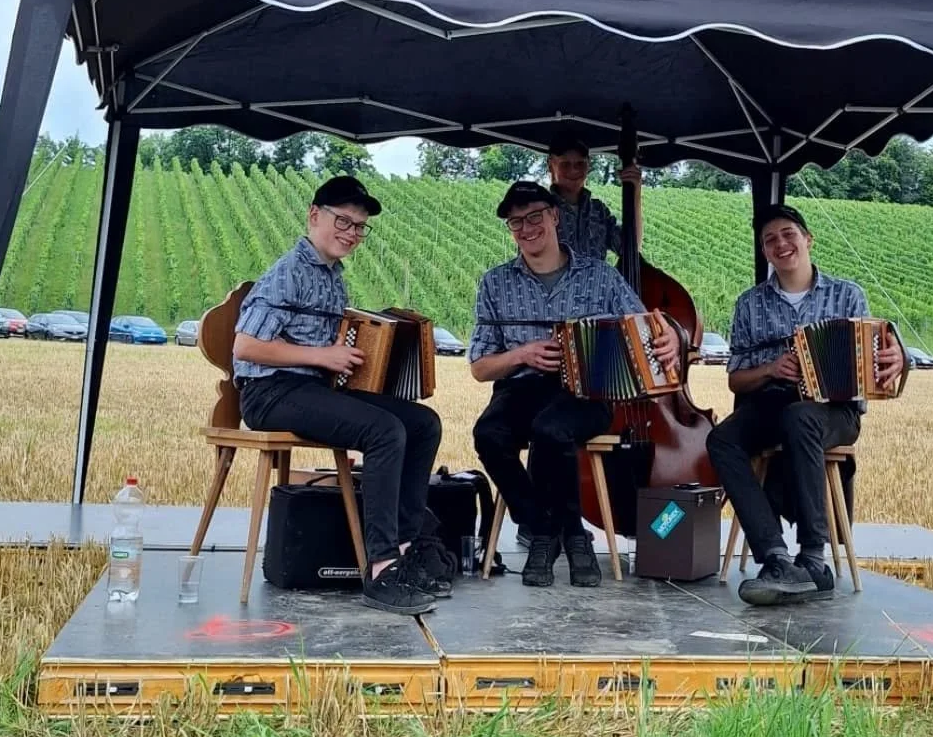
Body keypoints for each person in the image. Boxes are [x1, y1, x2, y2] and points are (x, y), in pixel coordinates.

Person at [232, 175, 447, 616]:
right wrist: (323, 356)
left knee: (423, 423)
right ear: (314, 216)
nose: (351, 233)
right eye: (343, 221)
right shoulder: (288, 273)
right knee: (384, 431)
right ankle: (381, 569)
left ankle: (405, 549)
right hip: (268, 392)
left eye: (359, 227)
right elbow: (246, 347)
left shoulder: (333, 278)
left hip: (309, 388)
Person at [469, 180, 682, 588]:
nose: (527, 228)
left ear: (554, 217)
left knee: (551, 429)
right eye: (516, 222)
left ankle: (551, 537)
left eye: (535, 216)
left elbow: (645, 327)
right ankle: (556, 530)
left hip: (587, 391)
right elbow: (480, 367)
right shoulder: (495, 283)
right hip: (520, 389)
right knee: (487, 435)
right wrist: (522, 355)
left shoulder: (599, 275)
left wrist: (670, 334)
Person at [706, 203, 906, 606]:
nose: (780, 244)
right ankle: (776, 557)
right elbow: (735, 378)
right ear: (764, 251)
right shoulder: (750, 304)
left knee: (801, 417)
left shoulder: (847, 294)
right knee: (721, 440)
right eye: (770, 240)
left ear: (807, 239)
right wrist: (770, 369)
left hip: (835, 410)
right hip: (773, 400)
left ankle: (813, 557)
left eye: (788, 234)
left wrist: (898, 356)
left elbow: (879, 351)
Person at [545, 128, 642, 260]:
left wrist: (635, 191)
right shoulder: (541, 209)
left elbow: (630, 248)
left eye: (580, 164)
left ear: (589, 165)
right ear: (551, 165)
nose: (573, 170)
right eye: (565, 165)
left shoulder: (598, 211)